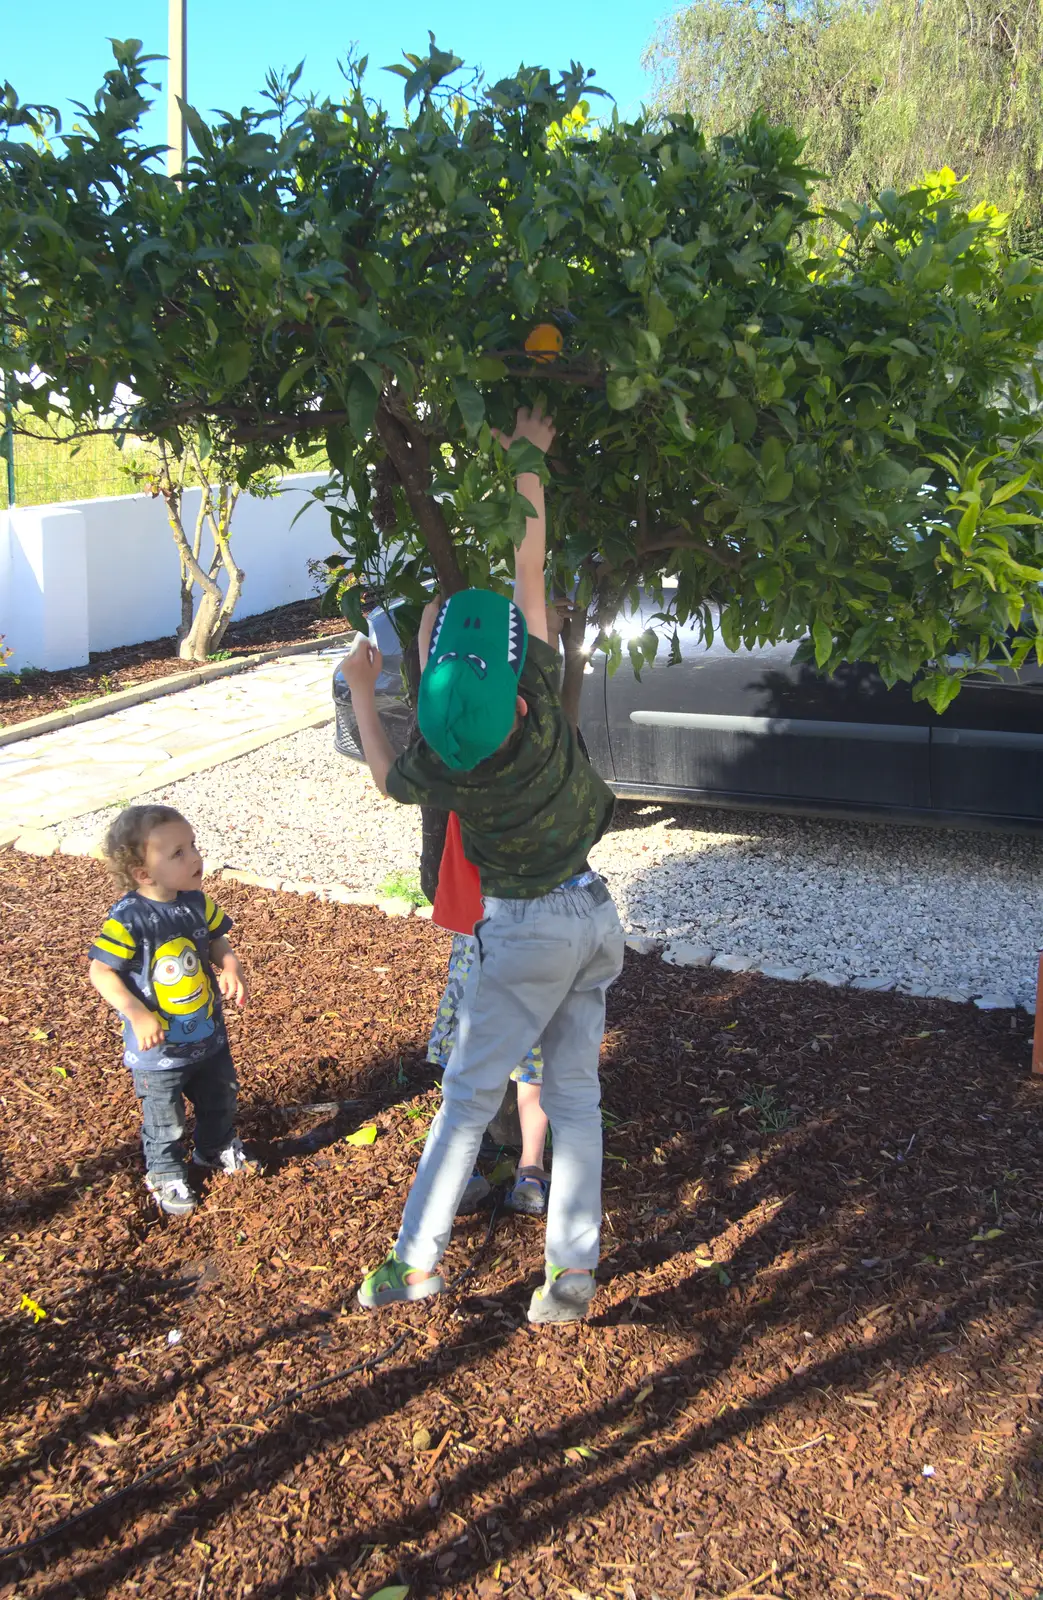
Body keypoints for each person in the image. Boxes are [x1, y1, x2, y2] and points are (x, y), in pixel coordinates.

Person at [343, 404, 624, 1324]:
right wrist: (525, 459)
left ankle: (415, 1265)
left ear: (430, 690)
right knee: (574, 1095)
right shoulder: (536, 694)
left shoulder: (443, 757)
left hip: (524, 931)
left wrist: (363, 689)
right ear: (510, 677)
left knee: (465, 1102)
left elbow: (390, 774)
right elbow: (528, 566)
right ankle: (571, 1277)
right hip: (590, 915)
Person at [88, 805, 249, 1217]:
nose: (195, 857)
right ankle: (164, 1172)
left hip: (208, 1037)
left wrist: (230, 965)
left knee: (221, 1098)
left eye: (192, 845)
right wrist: (136, 1014)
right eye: (178, 853)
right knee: (166, 1119)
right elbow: (101, 970)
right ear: (144, 873)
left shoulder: (197, 902)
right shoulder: (131, 918)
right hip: (159, 1053)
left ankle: (214, 1149)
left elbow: (217, 942)